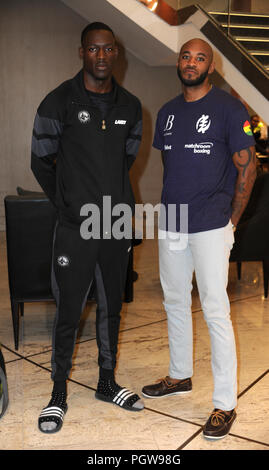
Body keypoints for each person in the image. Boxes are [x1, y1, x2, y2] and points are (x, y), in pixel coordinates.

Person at [31, 22, 144, 434]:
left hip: (114, 224)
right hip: (75, 228)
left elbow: (126, 158)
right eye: (94, 49)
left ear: (117, 54)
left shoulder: (130, 106)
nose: (101, 56)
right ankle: (58, 391)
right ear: (81, 52)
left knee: (112, 307)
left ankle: (106, 381)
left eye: (108, 49)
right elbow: (41, 159)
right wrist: (69, 202)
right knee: (69, 311)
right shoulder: (58, 101)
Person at [142, 38, 256, 440]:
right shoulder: (169, 113)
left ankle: (225, 403)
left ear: (211, 66)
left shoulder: (228, 108)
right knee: (173, 299)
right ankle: (179, 375)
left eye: (200, 58)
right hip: (173, 221)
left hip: (211, 225)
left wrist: (232, 222)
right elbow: (170, 164)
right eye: (186, 56)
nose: (191, 63)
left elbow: (248, 167)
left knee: (214, 309)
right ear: (179, 63)